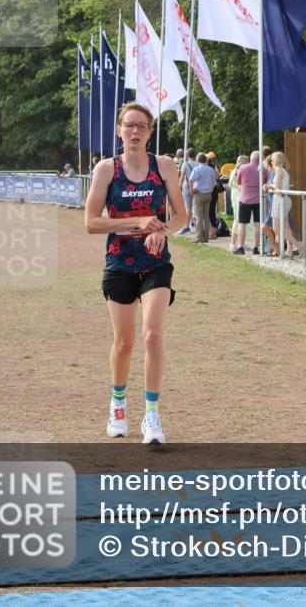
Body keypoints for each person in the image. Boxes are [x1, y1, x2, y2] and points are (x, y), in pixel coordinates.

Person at [84, 102, 187, 445]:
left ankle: (152, 416)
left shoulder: (165, 166)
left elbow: (182, 216)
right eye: (129, 125)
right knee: (124, 342)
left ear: (150, 132)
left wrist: (162, 230)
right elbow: (91, 223)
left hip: (156, 261)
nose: (134, 131)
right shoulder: (106, 169)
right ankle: (117, 404)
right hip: (119, 262)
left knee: (153, 335)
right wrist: (138, 222)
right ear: (119, 130)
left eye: (141, 126)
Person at [269, 152, 300, 256]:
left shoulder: (278, 170)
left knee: (276, 228)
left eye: (272, 159)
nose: (271, 161)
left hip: (279, 200)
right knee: (286, 227)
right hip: (285, 199)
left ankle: (298, 245)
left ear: (277, 160)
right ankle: (290, 249)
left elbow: (277, 187)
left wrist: (268, 186)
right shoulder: (284, 171)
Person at [232, 153, 263, 255]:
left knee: (242, 224)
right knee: (257, 224)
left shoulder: (243, 168)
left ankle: (241, 247)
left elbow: (238, 182)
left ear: (251, 158)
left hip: (245, 199)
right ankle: (256, 247)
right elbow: (265, 182)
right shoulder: (262, 169)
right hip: (258, 200)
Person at [189, 153, 217, 243]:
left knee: (199, 216)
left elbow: (191, 179)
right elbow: (214, 182)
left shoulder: (197, 169)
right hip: (208, 194)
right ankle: (206, 237)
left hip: (199, 194)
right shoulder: (211, 170)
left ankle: (199, 236)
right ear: (205, 160)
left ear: (197, 160)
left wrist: (192, 189)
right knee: (206, 216)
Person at [177, 148, 197, 235]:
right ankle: (194, 224)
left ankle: (187, 226)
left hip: (187, 188)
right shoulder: (198, 164)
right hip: (197, 188)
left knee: (188, 207)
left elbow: (181, 178)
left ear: (187, 156)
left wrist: (178, 188)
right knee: (195, 207)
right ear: (195, 155)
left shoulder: (185, 164)